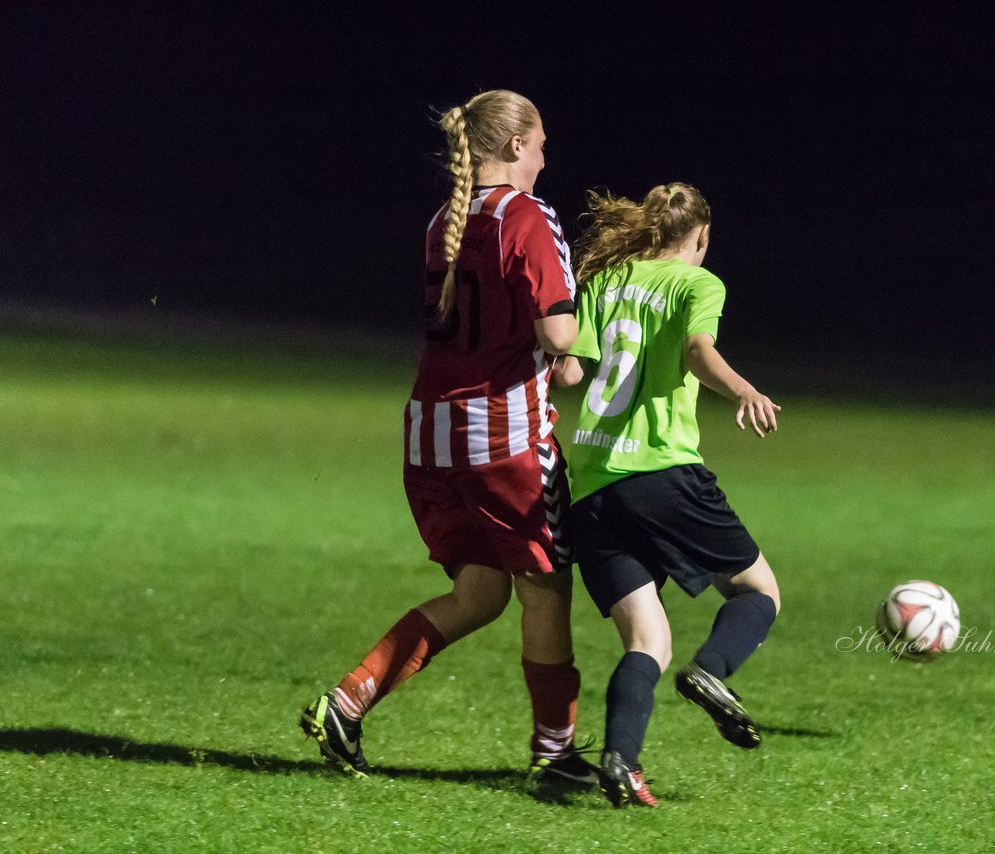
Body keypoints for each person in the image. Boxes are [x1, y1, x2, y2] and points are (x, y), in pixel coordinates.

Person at [299, 90, 596, 789]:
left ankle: (346, 703)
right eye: (543, 142)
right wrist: (586, 343)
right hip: (506, 440)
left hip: (432, 438)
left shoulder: (446, 219)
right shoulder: (528, 216)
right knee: (548, 592)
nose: (547, 156)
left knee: (480, 593)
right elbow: (557, 333)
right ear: (518, 145)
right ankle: (555, 755)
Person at [553, 182, 782, 808]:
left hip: (594, 486)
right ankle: (712, 672)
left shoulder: (608, 280)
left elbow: (570, 369)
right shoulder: (697, 285)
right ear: (700, 237)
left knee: (647, 641)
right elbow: (697, 349)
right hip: (661, 476)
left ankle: (621, 765)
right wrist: (743, 391)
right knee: (758, 591)